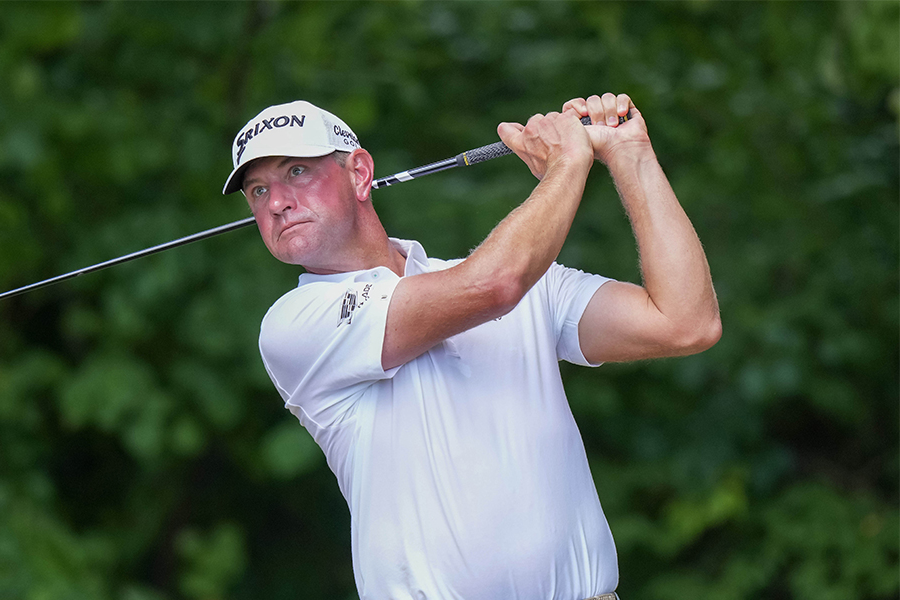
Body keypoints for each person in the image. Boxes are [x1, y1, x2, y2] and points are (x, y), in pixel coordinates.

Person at [221, 96, 720, 600]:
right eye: (259, 190)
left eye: (298, 172)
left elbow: (684, 321)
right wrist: (569, 163)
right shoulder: (294, 325)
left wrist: (629, 155)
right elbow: (493, 286)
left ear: (359, 173)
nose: (277, 202)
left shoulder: (532, 285)